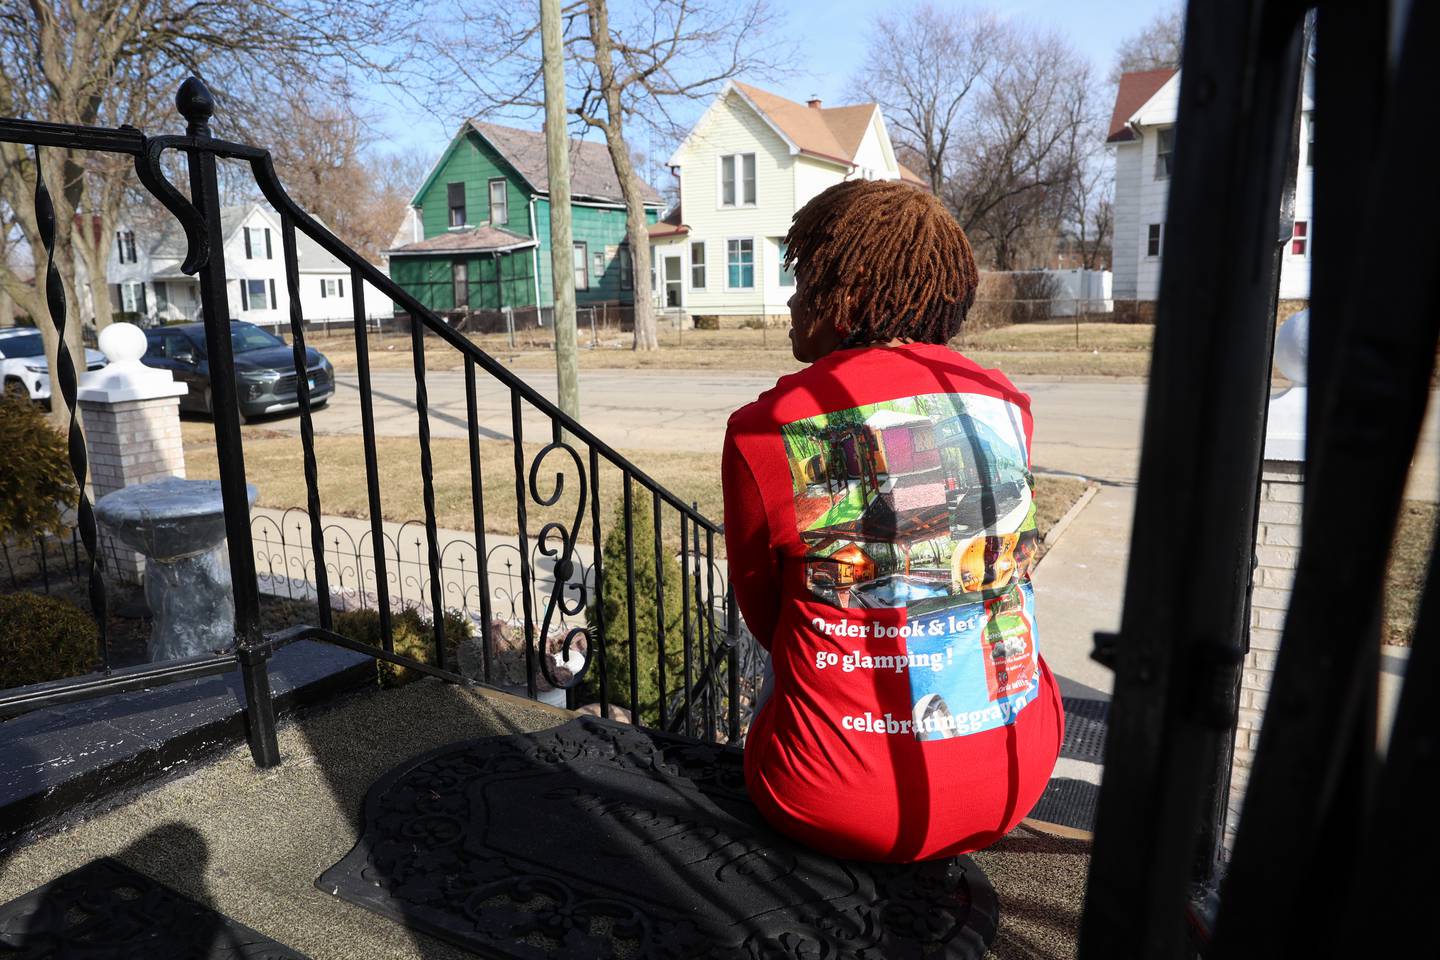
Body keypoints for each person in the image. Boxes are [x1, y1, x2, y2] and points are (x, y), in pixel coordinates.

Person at [721, 179, 1064, 863]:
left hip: (827, 802)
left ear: (843, 295)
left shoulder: (767, 429)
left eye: (803, 278)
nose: (791, 300)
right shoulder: (1006, 404)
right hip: (1017, 772)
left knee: (789, 651)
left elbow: (764, 613)